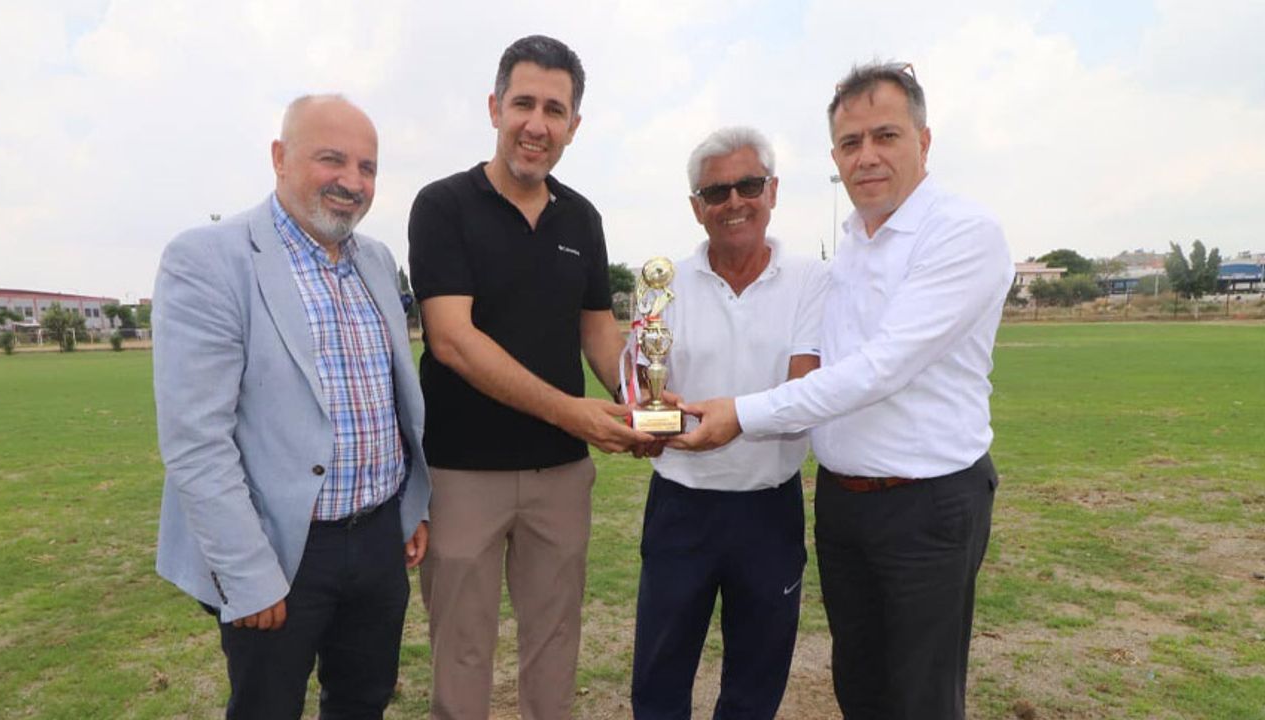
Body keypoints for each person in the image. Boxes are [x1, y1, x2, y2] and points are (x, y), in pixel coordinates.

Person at [671, 61, 1014, 720]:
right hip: (844, 503)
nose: (867, 157)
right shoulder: (855, 238)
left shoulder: (962, 232)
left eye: (886, 136)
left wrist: (742, 413)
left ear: (924, 140)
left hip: (927, 503)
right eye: (851, 143)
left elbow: (880, 367)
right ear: (835, 157)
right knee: (860, 687)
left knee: (921, 698)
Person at [152, 94, 431, 719]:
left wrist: (410, 506)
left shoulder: (377, 261)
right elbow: (197, 441)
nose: (352, 181)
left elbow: (388, 399)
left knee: (363, 701)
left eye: (367, 167)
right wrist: (247, 574)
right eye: (332, 159)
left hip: (378, 540)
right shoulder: (208, 260)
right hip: (278, 549)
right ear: (279, 157)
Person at [407, 35, 651, 720]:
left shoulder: (582, 218)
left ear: (574, 124)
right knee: (461, 652)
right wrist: (572, 411)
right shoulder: (443, 206)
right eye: (523, 104)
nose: (536, 124)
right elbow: (453, 340)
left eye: (555, 109)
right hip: (461, 473)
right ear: (495, 108)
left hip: (560, 476)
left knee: (555, 646)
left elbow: (598, 330)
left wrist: (639, 399)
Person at [630, 127, 828, 719]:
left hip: (769, 506)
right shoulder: (661, 284)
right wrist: (646, 420)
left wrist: (734, 420)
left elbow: (802, 392)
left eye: (748, 185)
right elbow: (643, 387)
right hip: (681, 505)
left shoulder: (810, 279)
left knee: (755, 683)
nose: (734, 202)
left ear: (773, 191)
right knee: (659, 679)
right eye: (716, 192)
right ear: (697, 207)